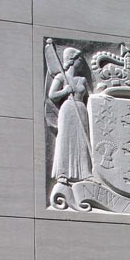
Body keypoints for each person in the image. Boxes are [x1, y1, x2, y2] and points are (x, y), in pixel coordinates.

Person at [49, 48, 92, 184]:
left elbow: (91, 97)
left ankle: (85, 173)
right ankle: (62, 173)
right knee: (66, 139)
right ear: (72, 60)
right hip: (68, 109)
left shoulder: (83, 80)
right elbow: (52, 95)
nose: (82, 63)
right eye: (80, 59)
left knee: (81, 141)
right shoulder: (61, 77)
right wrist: (65, 91)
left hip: (81, 108)